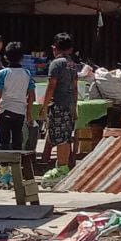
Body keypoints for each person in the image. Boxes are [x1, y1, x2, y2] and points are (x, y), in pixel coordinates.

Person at [41, 33, 79, 166]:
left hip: (58, 105)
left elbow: (51, 87)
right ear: (70, 49)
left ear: (54, 48)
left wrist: (44, 107)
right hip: (69, 105)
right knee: (66, 136)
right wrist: (74, 107)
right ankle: (63, 165)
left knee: (59, 137)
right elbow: (75, 88)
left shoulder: (56, 64)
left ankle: (61, 166)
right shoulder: (73, 64)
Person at [0, 42, 35, 152]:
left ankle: (4, 167)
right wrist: (29, 114)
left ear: (6, 57)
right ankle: (17, 165)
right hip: (20, 112)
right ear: (22, 58)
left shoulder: (3, 73)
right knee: (17, 139)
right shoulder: (27, 73)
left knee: (4, 142)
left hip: (4, 111)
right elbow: (31, 96)